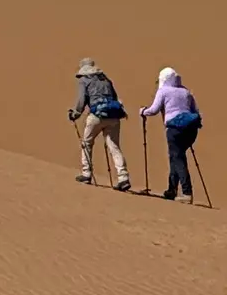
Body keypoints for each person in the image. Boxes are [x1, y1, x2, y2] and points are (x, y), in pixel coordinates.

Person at [66, 59, 131, 191]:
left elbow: (82, 100)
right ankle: (123, 177)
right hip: (113, 116)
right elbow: (115, 97)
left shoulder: (84, 80)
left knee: (87, 143)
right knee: (114, 147)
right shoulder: (105, 79)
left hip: (96, 116)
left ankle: (86, 173)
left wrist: (75, 114)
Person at [139, 68, 203, 202]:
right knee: (176, 156)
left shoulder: (163, 91)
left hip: (175, 129)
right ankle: (171, 190)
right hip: (191, 129)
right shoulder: (186, 91)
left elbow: (154, 110)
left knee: (177, 158)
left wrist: (143, 111)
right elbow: (194, 110)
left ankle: (187, 193)